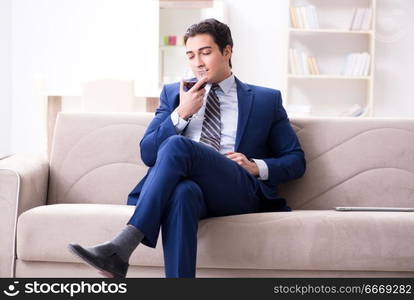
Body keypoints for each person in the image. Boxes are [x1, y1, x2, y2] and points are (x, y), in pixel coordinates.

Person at [68, 18, 306, 278]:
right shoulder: (174, 94)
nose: (198, 63)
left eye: (206, 52)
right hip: (192, 190)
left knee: (179, 145)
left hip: (237, 189)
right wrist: (181, 113)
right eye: (191, 55)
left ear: (227, 51)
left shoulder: (265, 99)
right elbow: (148, 154)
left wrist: (255, 166)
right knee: (183, 192)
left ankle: (125, 243)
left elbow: (295, 160)